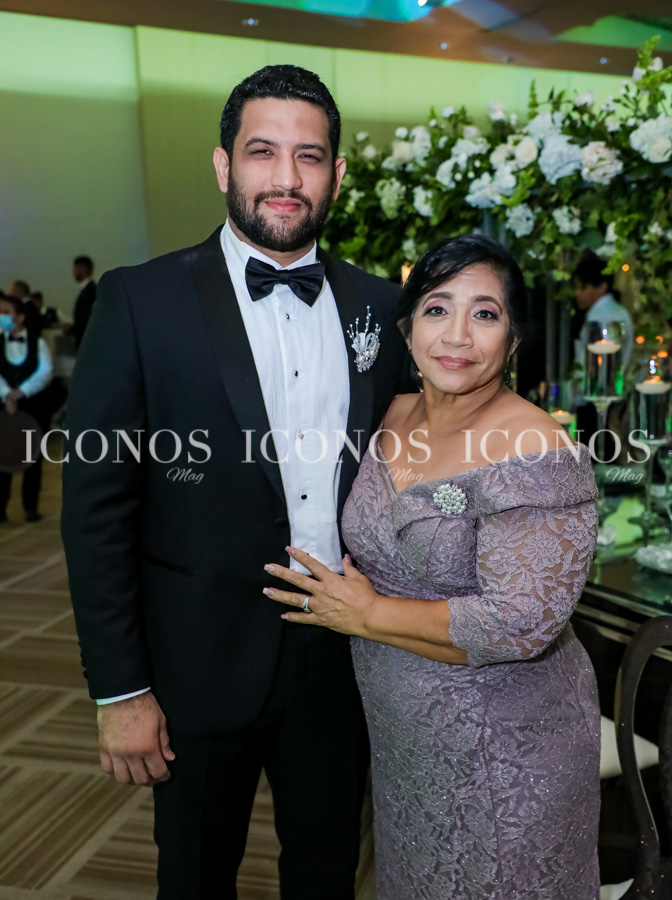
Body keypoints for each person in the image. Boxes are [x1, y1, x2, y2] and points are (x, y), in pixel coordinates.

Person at [61, 64, 410, 899]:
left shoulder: (382, 308)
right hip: (195, 657)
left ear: (336, 174)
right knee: (194, 878)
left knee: (327, 874)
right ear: (224, 166)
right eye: (262, 152)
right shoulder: (139, 302)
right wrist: (122, 689)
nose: (286, 177)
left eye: (309, 156)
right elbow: (96, 513)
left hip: (342, 654)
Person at [265, 235, 601, 899]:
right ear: (407, 328)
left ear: (513, 340)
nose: (457, 336)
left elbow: (520, 624)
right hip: (406, 741)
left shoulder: (535, 447)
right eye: (437, 309)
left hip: (506, 746)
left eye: (485, 314)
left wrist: (367, 614)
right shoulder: (389, 414)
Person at [0, 294, 53, 522]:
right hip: (4, 405)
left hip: (34, 406)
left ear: (20, 317)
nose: (1, 316)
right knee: (3, 454)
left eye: (5, 312)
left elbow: (45, 371)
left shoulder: (38, 342)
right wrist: (6, 394)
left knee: (33, 456)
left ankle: (30, 506)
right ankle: (0, 506)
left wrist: (21, 392)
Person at [573, 249, 633, 368]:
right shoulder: (617, 311)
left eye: (583, 287)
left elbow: (602, 366)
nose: (577, 293)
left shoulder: (601, 317)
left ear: (602, 287)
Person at [62, 256, 97, 348]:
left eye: (74, 269)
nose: (72, 273)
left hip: (86, 343)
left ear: (80, 269)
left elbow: (87, 321)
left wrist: (72, 328)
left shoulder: (89, 292)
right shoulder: (90, 290)